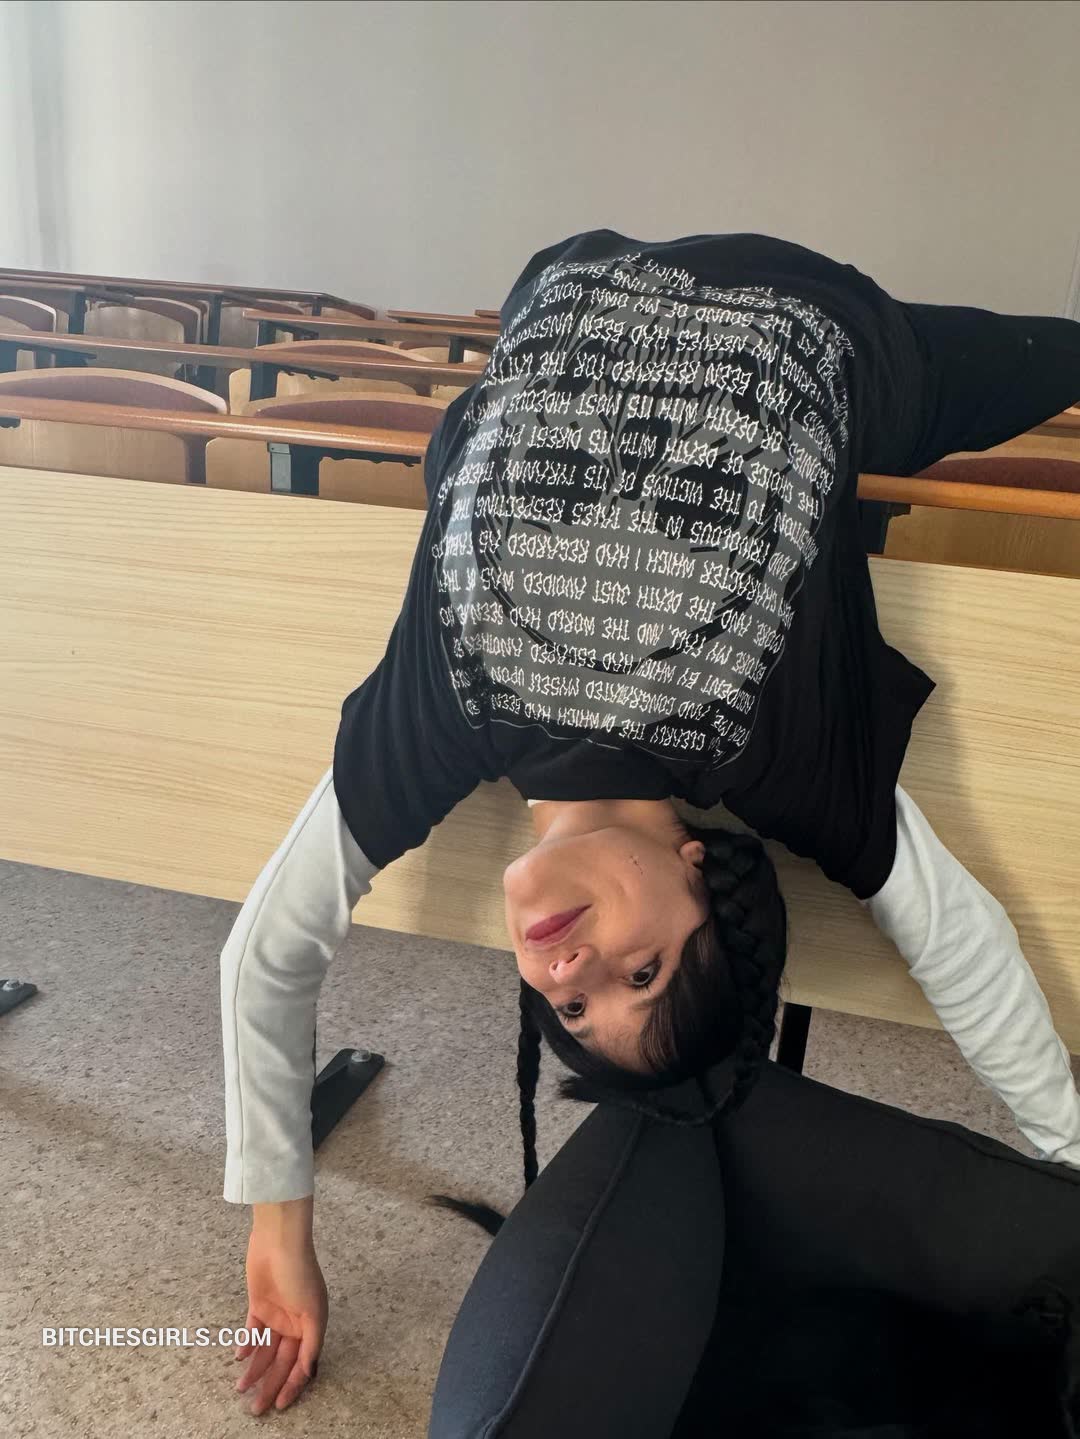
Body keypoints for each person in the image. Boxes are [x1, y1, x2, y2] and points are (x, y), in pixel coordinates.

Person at [220, 227, 1080, 1414]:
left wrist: (278, 1229)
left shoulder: (443, 724)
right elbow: (959, 942)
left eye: (573, 1008)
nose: (573, 970)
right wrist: (1070, 1152)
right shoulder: (776, 754)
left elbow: (267, 953)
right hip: (828, 324)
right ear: (698, 869)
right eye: (643, 970)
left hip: (583, 276)